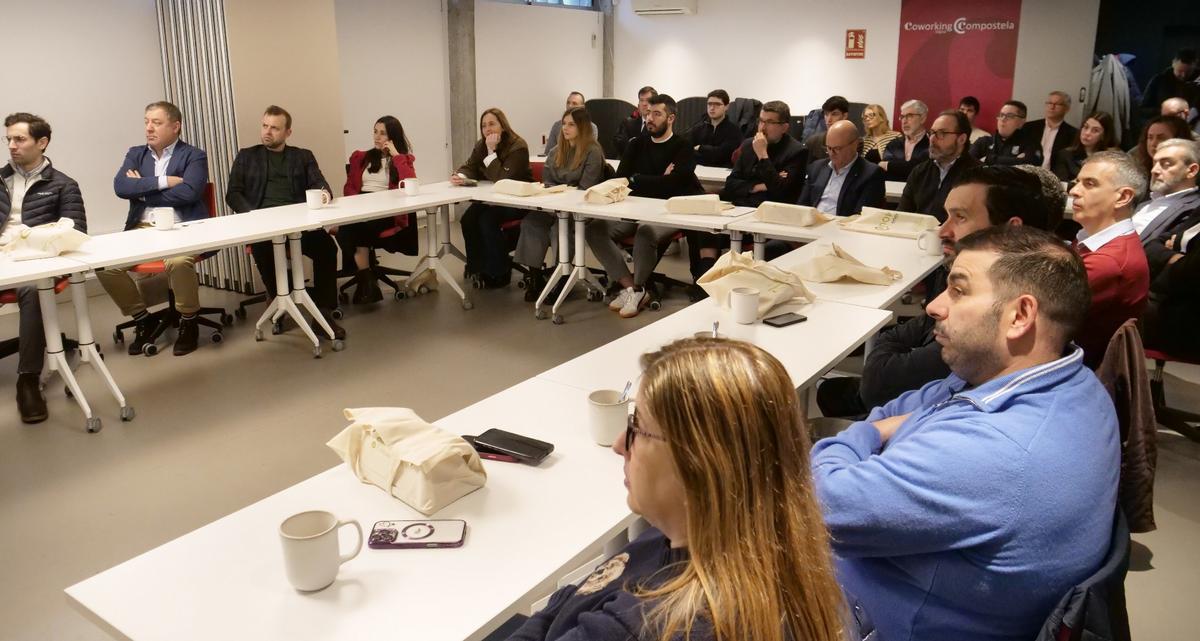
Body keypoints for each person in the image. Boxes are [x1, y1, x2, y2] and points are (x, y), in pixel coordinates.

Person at [812, 225, 1119, 641]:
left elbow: (816, 502)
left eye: (958, 290)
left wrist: (860, 438)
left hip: (865, 616)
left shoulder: (1000, 450)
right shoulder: (1054, 378)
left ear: (1020, 315)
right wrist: (879, 430)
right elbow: (897, 409)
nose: (936, 306)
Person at [503, 338, 850, 641]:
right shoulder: (764, 545)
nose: (620, 445)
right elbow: (577, 595)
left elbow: (571, 602)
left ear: (697, 463)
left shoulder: (639, 627)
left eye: (636, 427)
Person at [816, 165, 1061, 418]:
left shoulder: (995, 314)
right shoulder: (1008, 286)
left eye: (961, 217)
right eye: (947, 217)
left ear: (1012, 230)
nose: (943, 231)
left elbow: (877, 386)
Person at [98, 101, 209, 357]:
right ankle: (142, 318)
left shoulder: (194, 155)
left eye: (156, 123)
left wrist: (144, 193)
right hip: (142, 229)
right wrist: (164, 181)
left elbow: (191, 192)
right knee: (105, 266)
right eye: (146, 121)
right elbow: (121, 187)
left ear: (175, 126)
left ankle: (189, 320)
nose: (149, 128)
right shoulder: (136, 154)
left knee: (179, 261)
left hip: (182, 227)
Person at [226, 105, 344, 340]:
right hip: (264, 224)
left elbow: (321, 184)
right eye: (265, 126)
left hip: (299, 223)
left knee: (327, 249)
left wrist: (323, 195)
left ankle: (323, 312)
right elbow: (233, 194)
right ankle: (281, 306)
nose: (267, 132)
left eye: (275, 128)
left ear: (287, 133)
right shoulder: (247, 156)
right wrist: (254, 215)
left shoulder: (302, 156)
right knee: (263, 250)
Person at [585, 94, 702, 318]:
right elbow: (621, 180)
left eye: (657, 114)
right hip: (633, 209)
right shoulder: (636, 144)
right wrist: (657, 179)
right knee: (594, 229)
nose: (650, 118)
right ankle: (631, 287)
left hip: (666, 213)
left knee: (645, 232)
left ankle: (639, 289)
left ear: (671, 118)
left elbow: (674, 185)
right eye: (648, 113)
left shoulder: (683, 146)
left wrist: (639, 179)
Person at [2, 113, 86, 424]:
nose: (11, 145)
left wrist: (29, 243)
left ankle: (27, 380)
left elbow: (74, 232)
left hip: (35, 261)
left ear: (42, 143)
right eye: (8, 139)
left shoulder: (64, 185)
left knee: (32, 289)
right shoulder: (0, 180)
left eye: (19, 139)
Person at [1068, 151, 1150, 369]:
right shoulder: (1095, 242)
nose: (1074, 191)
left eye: (1090, 184)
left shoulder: (1109, 261)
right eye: (1077, 182)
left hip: (1074, 371)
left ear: (1123, 197)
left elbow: (1039, 309)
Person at [514, 106, 605, 299]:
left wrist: (561, 194)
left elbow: (586, 188)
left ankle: (561, 278)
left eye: (571, 124)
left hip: (579, 210)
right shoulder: (555, 151)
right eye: (564, 123)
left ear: (582, 126)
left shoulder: (593, 151)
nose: (565, 128)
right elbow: (547, 182)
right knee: (531, 223)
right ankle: (535, 277)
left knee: (559, 230)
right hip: (553, 206)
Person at [336, 116, 417, 305]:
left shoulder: (402, 160)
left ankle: (366, 281)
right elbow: (349, 188)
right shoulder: (361, 157)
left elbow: (410, 183)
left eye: (383, 133)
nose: (377, 137)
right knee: (351, 227)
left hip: (386, 212)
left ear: (392, 137)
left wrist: (396, 155)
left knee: (351, 230)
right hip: (361, 208)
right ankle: (368, 282)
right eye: (375, 132)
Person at [452, 107, 532, 288]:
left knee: (487, 220)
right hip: (492, 199)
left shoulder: (518, 146)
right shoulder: (481, 145)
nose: (487, 129)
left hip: (517, 201)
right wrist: (461, 176)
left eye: (492, 124)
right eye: (484, 126)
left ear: (502, 126)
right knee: (468, 218)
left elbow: (502, 179)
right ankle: (477, 266)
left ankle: (499, 271)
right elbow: (469, 166)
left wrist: (491, 152)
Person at [720, 100, 806, 208]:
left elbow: (780, 192)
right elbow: (731, 184)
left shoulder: (797, 152)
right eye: (761, 121)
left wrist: (762, 155)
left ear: (784, 128)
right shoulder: (748, 144)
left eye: (770, 122)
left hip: (772, 211)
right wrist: (758, 187)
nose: (762, 128)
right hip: (741, 207)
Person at [898, 110, 980, 221]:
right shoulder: (920, 171)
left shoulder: (977, 175)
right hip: (916, 235)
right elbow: (902, 214)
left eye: (942, 133)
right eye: (931, 133)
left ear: (961, 139)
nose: (932, 139)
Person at [798, 120, 884, 216]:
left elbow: (861, 216)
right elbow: (802, 206)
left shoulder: (871, 174)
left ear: (855, 144)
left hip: (842, 226)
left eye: (837, 148)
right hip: (812, 224)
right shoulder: (816, 168)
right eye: (828, 148)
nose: (831, 153)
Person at [1133, 138, 1200, 242]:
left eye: (1166, 164)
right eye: (1154, 163)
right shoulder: (1142, 202)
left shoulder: (1195, 209)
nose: (1154, 170)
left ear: (1191, 170)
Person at [969, 100, 1039, 167]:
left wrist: (989, 159)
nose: (1003, 119)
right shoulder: (984, 142)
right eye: (1001, 115)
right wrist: (1014, 161)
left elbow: (1030, 166)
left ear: (1021, 122)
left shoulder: (1030, 144)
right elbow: (966, 163)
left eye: (1009, 116)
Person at [1051, 111, 1117, 181]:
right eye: (1085, 127)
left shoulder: (1110, 159)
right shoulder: (1065, 155)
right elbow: (1060, 185)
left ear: (1103, 136)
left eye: (1095, 130)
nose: (1087, 133)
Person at [1023, 91, 1078, 171]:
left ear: (1067, 109)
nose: (1052, 107)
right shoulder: (1029, 127)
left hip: (1054, 176)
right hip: (1027, 172)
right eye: (1049, 103)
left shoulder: (1073, 133)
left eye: (1057, 104)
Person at [687, 89, 741, 167]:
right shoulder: (698, 128)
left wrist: (700, 148)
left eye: (717, 104)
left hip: (722, 174)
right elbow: (687, 150)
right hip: (699, 171)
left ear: (726, 107)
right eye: (709, 104)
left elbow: (722, 155)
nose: (712, 108)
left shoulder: (734, 131)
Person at [877, 99, 928, 181]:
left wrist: (889, 166)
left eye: (909, 116)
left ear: (922, 118)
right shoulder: (893, 144)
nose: (904, 121)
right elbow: (885, 172)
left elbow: (921, 170)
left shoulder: (932, 143)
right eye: (902, 117)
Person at [1141, 48, 1200, 112]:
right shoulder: (1159, 80)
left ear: (1195, 66)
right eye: (1180, 71)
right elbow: (1144, 108)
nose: (1184, 75)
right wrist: (1165, 112)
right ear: (1173, 63)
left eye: (1188, 72)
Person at [805, 95, 850, 163]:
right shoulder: (812, 142)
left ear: (844, 116)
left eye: (834, 114)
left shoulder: (854, 142)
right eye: (826, 114)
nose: (828, 120)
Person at [613, 86, 656, 155]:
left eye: (648, 100)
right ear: (638, 104)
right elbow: (619, 143)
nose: (644, 104)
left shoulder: (659, 125)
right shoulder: (628, 123)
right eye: (641, 100)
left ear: (655, 103)